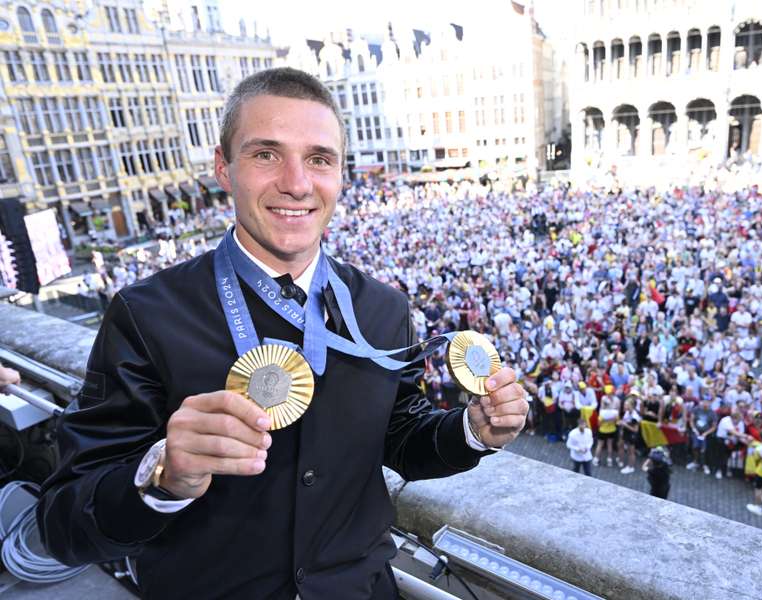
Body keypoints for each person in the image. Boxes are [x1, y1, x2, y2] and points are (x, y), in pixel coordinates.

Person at [36, 68, 528, 600]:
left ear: (341, 173)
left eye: (319, 158)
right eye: (266, 154)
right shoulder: (146, 315)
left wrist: (473, 432)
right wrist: (161, 475)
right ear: (224, 168)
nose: (297, 182)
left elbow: (401, 438)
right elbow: (63, 520)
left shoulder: (384, 309)